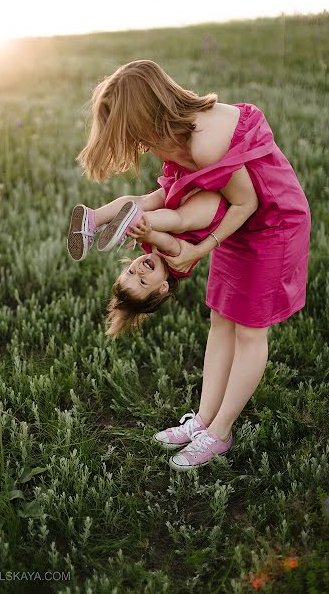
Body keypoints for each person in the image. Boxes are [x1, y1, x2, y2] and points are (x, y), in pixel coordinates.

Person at [75, 59, 312, 472]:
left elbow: (248, 201)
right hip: (238, 225)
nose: (135, 143)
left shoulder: (204, 142)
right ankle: (202, 420)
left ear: (147, 111)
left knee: (250, 332)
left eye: (130, 128)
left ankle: (220, 433)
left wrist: (201, 249)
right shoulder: (174, 136)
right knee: (221, 320)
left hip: (272, 220)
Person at [66, 188, 230, 334]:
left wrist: (144, 236)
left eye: (130, 272)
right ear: (163, 287)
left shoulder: (150, 248)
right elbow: (171, 243)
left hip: (183, 190)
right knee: (177, 220)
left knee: (146, 201)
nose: (139, 271)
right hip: (210, 205)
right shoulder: (178, 265)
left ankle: (94, 218)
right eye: (143, 282)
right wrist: (148, 234)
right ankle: (133, 221)